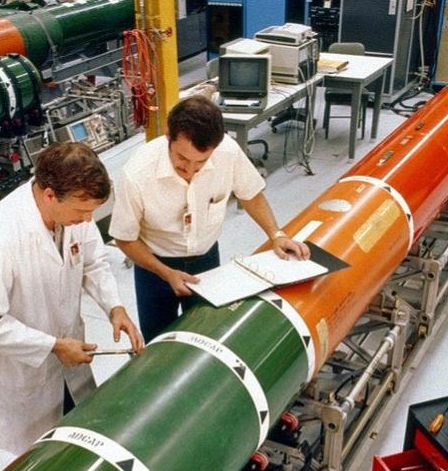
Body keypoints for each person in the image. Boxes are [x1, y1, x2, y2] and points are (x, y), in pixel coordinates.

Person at [0, 142, 143, 455]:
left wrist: (115, 306)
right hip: (25, 373)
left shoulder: (73, 215)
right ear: (49, 195)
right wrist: (53, 345)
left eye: (91, 212)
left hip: (70, 360)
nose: (88, 221)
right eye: (81, 211)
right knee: (40, 461)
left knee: (82, 439)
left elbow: (94, 261)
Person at [109, 95, 309, 342]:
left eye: (201, 162)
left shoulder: (227, 152)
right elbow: (124, 238)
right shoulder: (137, 174)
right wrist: (165, 272)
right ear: (168, 135)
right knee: (158, 343)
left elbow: (250, 194)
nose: (190, 170)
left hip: (206, 261)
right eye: (182, 159)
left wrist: (276, 234)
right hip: (154, 268)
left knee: (208, 336)